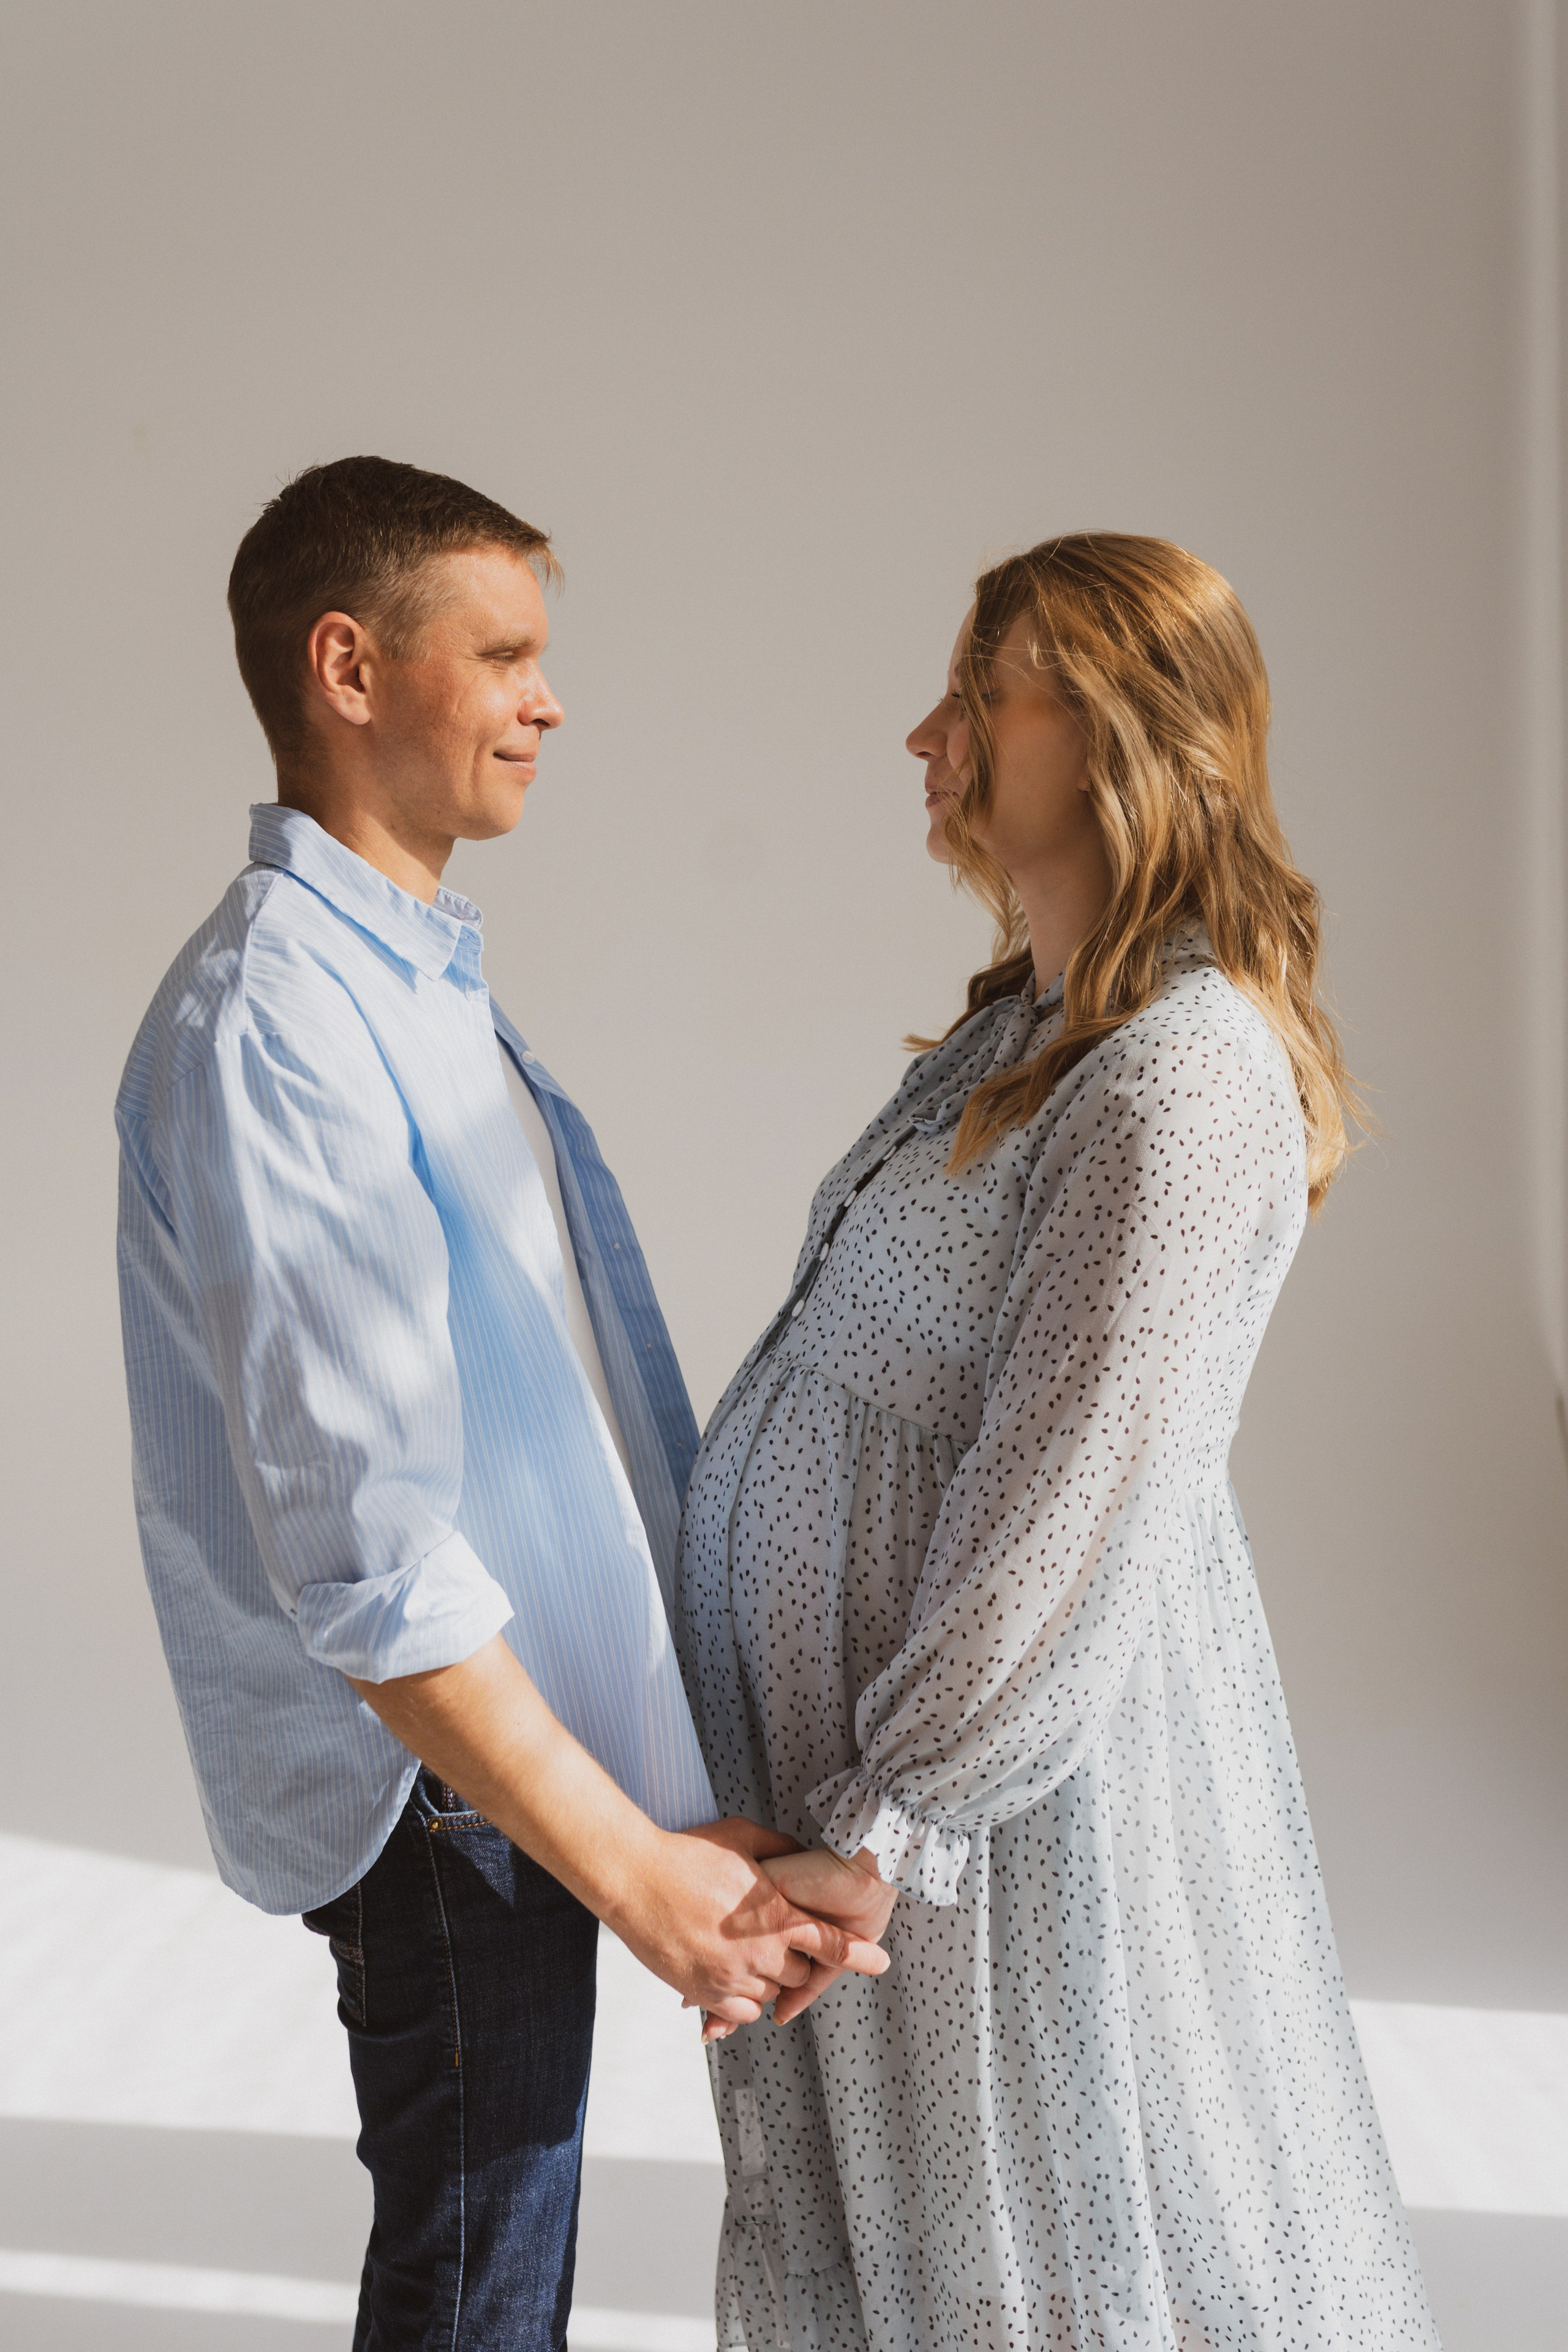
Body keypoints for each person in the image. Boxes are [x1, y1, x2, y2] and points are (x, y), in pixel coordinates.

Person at [114, 455, 886, 2352]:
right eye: (509, 654)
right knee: (477, 2303)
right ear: (351, 668)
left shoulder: (417, 987)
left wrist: (663, 1808)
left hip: (510, 1781)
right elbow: (369, 1555)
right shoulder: (281, 1020)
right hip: (443, 1800)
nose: (552, 700)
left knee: (493, 2287)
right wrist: (634, 1876)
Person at [673, 535, 1440, 2350]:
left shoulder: (1184, 1073)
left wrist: (893, 1819)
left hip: (1000, 1842)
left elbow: (1069, 1493)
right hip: (906, 1830)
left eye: (978, 689)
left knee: (1059, 2266)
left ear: (1110, 732)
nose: (925, 733)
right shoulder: (1029, 1027)